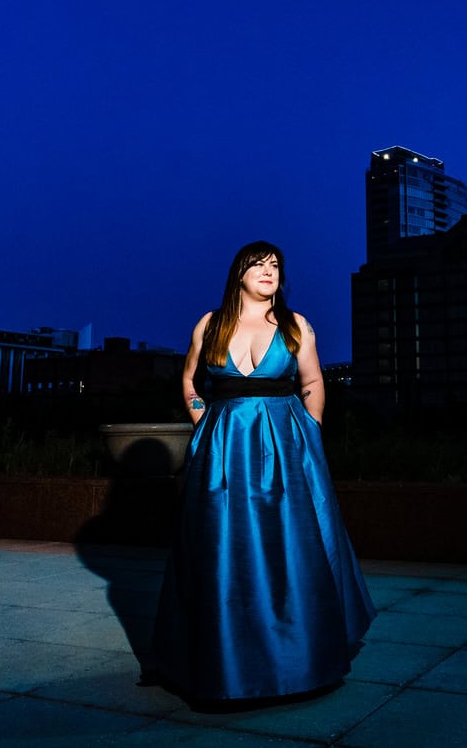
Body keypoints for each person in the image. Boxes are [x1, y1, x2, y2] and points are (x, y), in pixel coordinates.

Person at [148, 240, 374, 704]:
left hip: (286, 446)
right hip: (223, 447)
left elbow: (312, 382)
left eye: (276, 265)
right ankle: (220, 663)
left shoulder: (296, 326)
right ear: (239, 274)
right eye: (258, 264)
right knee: (219, 547)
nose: (269, 271)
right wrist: (204, 423)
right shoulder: (210, 324)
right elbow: (191, 379)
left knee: (290, 545)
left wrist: (308, 432)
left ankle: (299, 661)